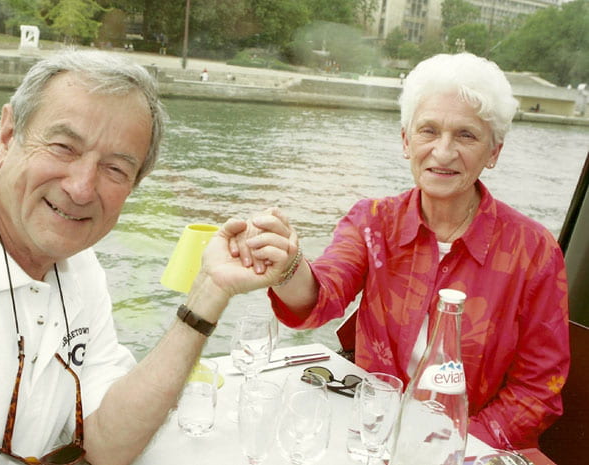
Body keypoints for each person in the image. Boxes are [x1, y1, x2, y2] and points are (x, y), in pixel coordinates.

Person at [0, 50, 282, 465]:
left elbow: (106, 443)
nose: (81, 188)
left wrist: (208, 292)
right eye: (63, 147)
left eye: (115, 169)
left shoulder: (79, 267)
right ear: (7, 136)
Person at [232, 52, 570, 449]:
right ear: (406, 142)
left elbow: (537, 393)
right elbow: (324, 295)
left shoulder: (534, 252)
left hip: (466, 451)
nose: (443, 152)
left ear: (494, 152)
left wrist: (440, 445)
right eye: (428, 131)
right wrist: (289, 266)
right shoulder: (372, 222)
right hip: (370, 436)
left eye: (466, 135)